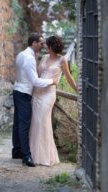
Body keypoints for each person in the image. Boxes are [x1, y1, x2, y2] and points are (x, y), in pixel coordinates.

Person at [29, 35, 77, 166]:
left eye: (47, 46)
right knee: (35, 121)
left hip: (49, 94)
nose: (45, 47)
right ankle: (33, 154)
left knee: (42, 122)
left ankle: (45, 157)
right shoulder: (44, 57)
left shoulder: (62, 60)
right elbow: (37, 75)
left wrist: (78, 89)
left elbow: (69, 78)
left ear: (52, 47)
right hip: (38, 92)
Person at [12, 33, 57, 167]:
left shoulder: (22, 54)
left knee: (18, 123)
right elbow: (35, 81)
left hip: (17, 90)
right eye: (41, 43)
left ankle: (17, 151)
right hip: (24, 92)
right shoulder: (29, 58)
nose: (43, 45)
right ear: (34, 43)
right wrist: (51, 81)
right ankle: (26, 156)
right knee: (24, 125)